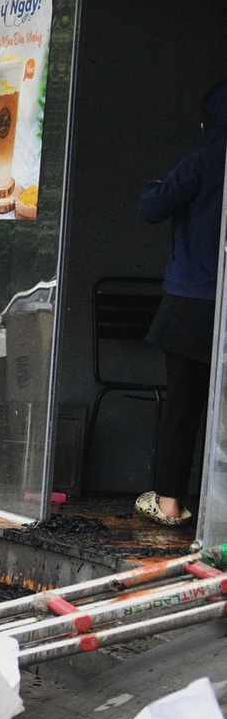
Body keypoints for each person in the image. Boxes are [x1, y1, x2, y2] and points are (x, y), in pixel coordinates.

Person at [136, 82, 227, 527]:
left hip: (193, 303)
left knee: (184, 405)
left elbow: (152, 208)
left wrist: (156, 185)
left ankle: (170, 502)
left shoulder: (202, 162)